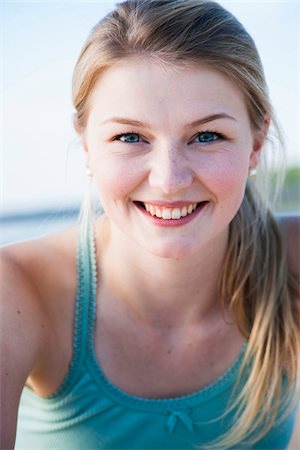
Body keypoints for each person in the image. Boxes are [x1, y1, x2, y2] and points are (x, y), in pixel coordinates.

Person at [1, 0, 299, 449]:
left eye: (207, 136)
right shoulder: (19, 290)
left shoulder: (293, 263)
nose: (169, 179)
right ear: (86, 146)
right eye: (130, 137)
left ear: (255, 143)